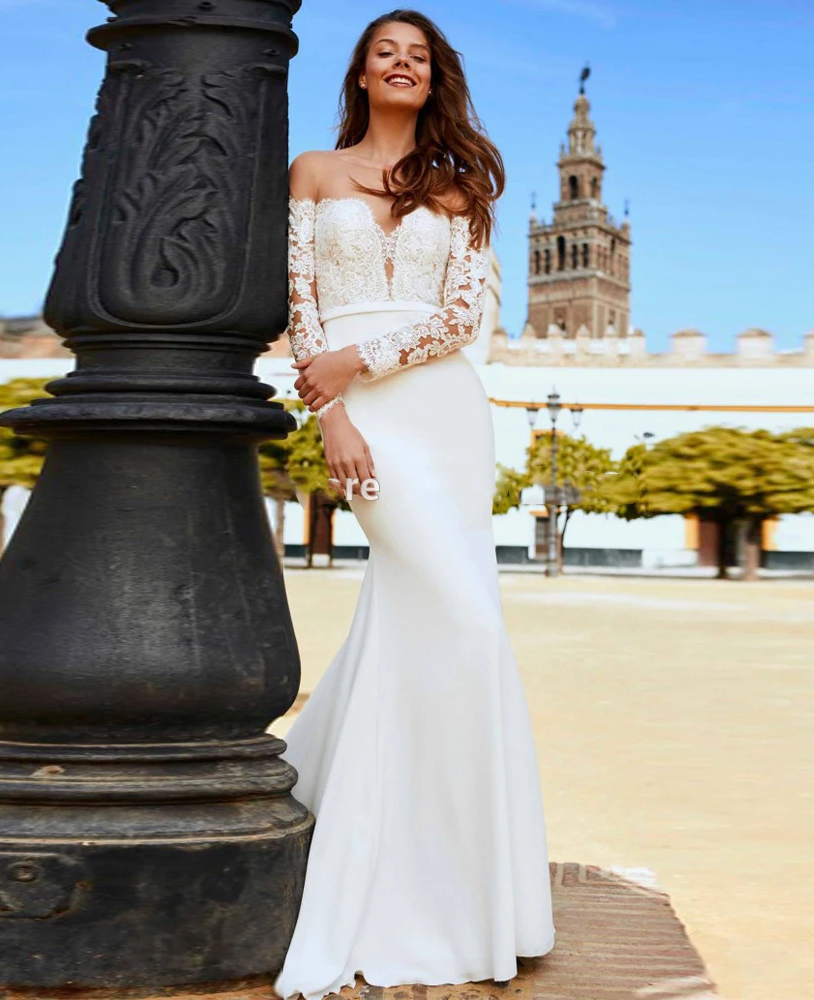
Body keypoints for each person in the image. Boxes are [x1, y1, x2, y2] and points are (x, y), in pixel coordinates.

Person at [274, 10, 556, 998]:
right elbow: (303, 308)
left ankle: (459, 890)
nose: (401, 64)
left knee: (447, 626)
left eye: (419, 56)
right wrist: (333, 411)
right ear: (360, 74)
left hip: (444, 415)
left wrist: (364, 357)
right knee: (453, 621)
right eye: (384, 52)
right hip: (364, 421)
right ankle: (393, 876)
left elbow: (464, 316)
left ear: (435, 79)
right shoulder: (313, 172)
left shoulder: (461, 186)